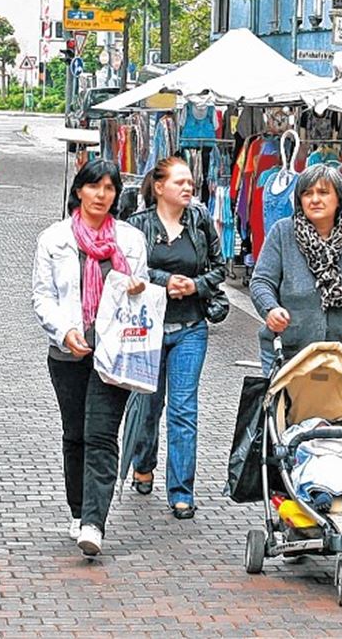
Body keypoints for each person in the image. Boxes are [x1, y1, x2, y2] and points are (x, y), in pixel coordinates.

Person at [32, 159, 148, 556]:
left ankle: (94, 523)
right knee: (76, 433)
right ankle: (78, 508)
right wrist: (65, 331)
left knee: (101, 434)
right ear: (79, 190)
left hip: (114, 353)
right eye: (94, 186)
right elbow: (43, 296)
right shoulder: (54, 238)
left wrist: (137, 288)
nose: (101, 195)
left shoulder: (130, 240)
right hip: (68, 352)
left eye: (109, 188)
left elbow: (142, 291)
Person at [126, 157, 225, 520]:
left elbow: (219, 267)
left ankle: (182, 491)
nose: (188, 187)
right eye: (179, 182)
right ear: (159, 187)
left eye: (190, 182)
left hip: (190, 328)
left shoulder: (200, 222)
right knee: (148, 406)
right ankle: (143, 463)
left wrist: (195, 285)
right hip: (147, 329)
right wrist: (164, 281)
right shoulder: (137, 225)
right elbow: (127, 269)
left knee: (184, 409)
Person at [250, 164, 342, 376]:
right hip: (289, 351)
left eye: (323, 192)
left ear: (339, 198)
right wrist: (271, 309)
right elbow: (261, 281)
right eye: (307, 194)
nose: (315, 199)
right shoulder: (282, 232)